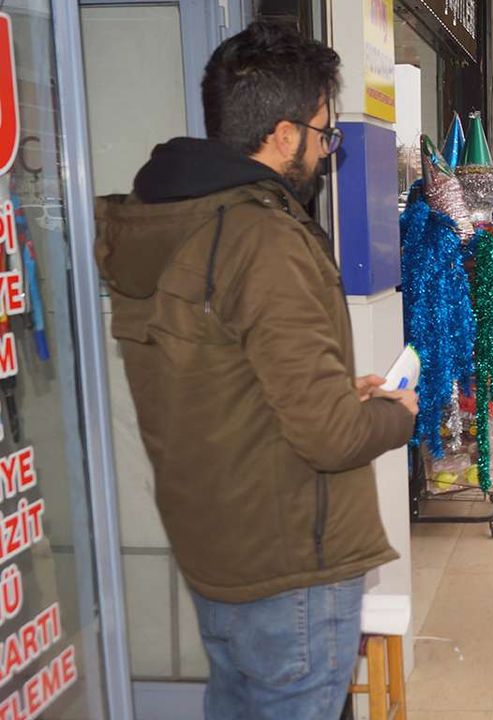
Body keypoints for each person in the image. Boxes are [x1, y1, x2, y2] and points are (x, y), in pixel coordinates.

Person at [93, 22, 417, 719]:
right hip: (290, 565)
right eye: (324, 134)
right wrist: (394, 415)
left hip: (218, 552)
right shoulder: (264, 238)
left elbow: (220, 382)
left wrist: (335, 393)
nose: (327, 151)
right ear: (283, 134)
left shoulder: (167, 222)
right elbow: (330, 437)